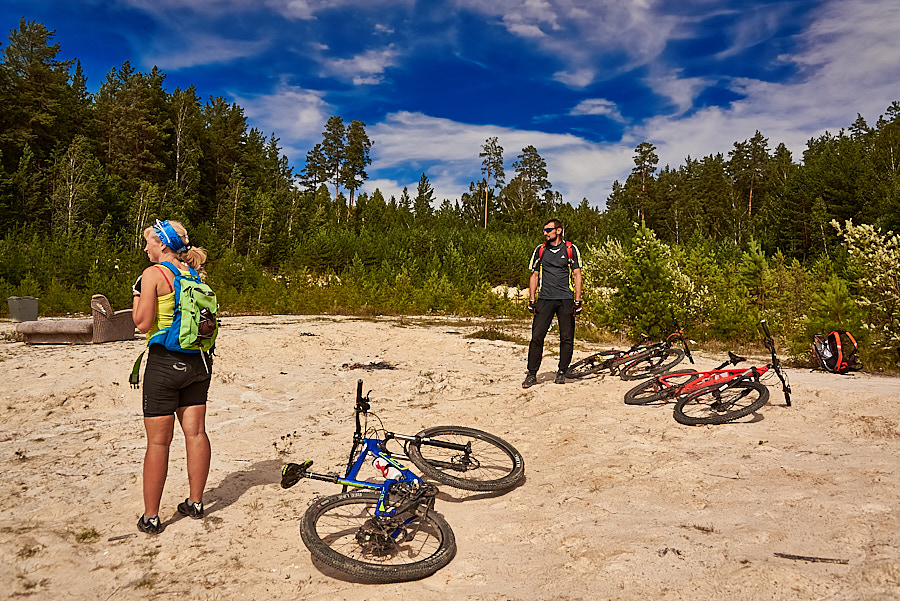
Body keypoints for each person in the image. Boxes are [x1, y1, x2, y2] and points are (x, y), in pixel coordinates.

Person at [132, 219, 212, 534]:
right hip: (199, 362)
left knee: (158, 443)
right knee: (196, 434)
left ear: (162, 245)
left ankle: (151, 517)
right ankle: (195, 502)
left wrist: (137, 294)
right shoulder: (194, 274)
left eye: (148, 242)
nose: (145, 248)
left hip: (165, 363)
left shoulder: (153, 275)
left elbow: (141, 323)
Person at [523, 219, 583, 388]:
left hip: (565, 299)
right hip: (545, 299)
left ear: (558, 231)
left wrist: (578, 300)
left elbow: (577, 275)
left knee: (566, 337)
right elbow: (534, 275)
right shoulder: (540, 250)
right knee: (537, 337)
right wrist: (531, 299)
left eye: (548, 230)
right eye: (544, 230)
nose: (545, 233)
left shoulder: (570, 249)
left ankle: (562, 371)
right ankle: (532, 374)